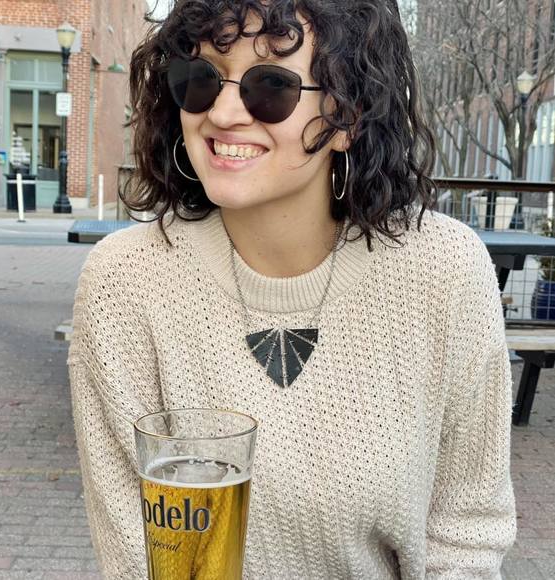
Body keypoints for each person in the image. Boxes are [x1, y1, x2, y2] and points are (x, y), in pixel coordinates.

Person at [67, 0, 517, 578]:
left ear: (347, 116)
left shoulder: (445, 270)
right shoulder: (124, 282)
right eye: (200, 78)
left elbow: (466, 537)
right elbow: (136, 557)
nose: (223, 112)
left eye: (271, 86)